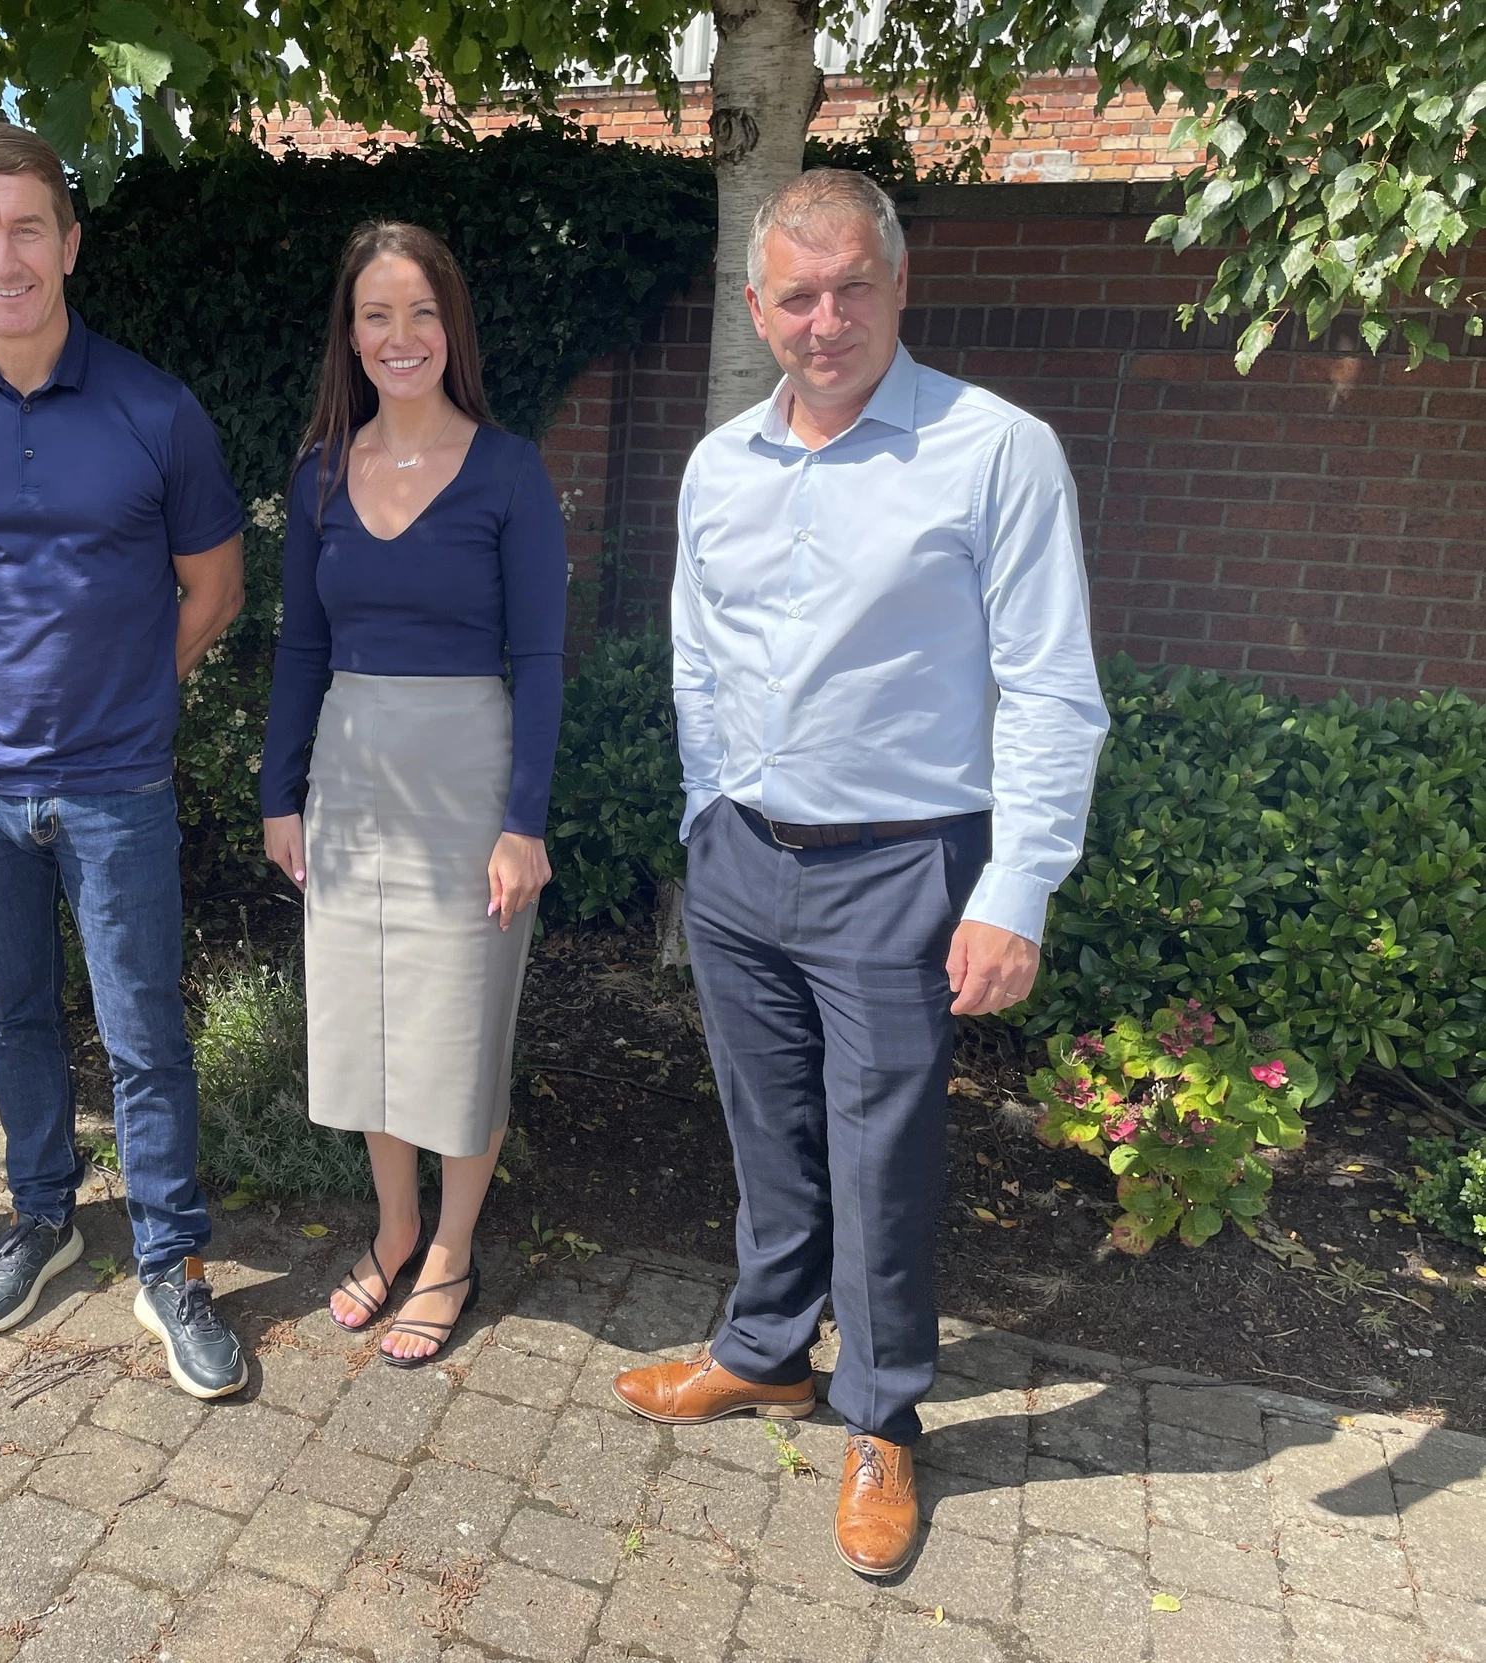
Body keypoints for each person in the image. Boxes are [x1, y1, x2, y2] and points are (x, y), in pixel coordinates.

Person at [610, 170, 1109, 1576]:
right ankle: (764, 1348)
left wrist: (1014, 886)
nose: (823, 319)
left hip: (902, 864)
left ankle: (881, 1413)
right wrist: (709, 812)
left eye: (850, 288)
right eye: (795, 294)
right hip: (742, 861)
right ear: (756, 307)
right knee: (766, 1128)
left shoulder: (994, 450)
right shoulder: (720, 464)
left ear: (895, 287)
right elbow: (697, 655)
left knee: (880, 1157)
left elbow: (1050, 687)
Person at [0, 123, 250, 1400]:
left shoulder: (155, 408)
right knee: (11, 1014)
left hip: (115, 781)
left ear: (70, 242)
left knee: (144, 1030)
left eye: (27, 226)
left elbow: (213, 587)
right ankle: (42, 1216)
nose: (3, 254)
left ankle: (169, 1260)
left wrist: (133, 689)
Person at [259, 223, 568, 1367]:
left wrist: (522, 821)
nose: (400, 337)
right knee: (369, 1020)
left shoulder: (509, 472)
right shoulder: (321, 471)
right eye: (377, 315)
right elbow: (299, 646)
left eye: (421, 314)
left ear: (454, 330)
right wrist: (278, 793)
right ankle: (392, 1226)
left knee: (455, 1025)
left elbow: (538, 658)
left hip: (466, 776)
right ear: (351, 334)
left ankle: (451, 1247)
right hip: (348, 771)